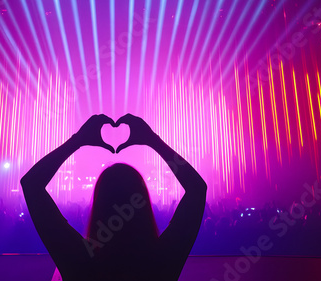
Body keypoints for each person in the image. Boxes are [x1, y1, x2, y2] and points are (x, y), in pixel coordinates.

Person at [21, 113, 207, 281]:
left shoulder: (78, 259)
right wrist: (152, 140)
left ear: (98, 205)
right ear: (142, 203)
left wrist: (78, 140)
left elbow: (31, 185)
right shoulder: (163, 260)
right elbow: (197, 190)